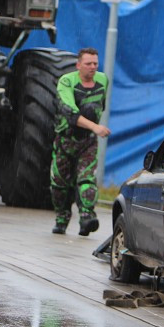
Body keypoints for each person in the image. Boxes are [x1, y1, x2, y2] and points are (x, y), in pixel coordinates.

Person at [50, 47, 111, 236]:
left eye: (95, 64)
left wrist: (93, 129)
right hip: (66, 139)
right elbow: (69, 112)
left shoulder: (102, 81)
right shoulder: (67, 82)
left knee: (87, 179)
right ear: (79, 65)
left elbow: (102, 105)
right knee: (59, 184)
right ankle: (62, 217)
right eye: (88, 64)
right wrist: (95, 127)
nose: (92, 67)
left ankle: (87, 216)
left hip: (88, 141)